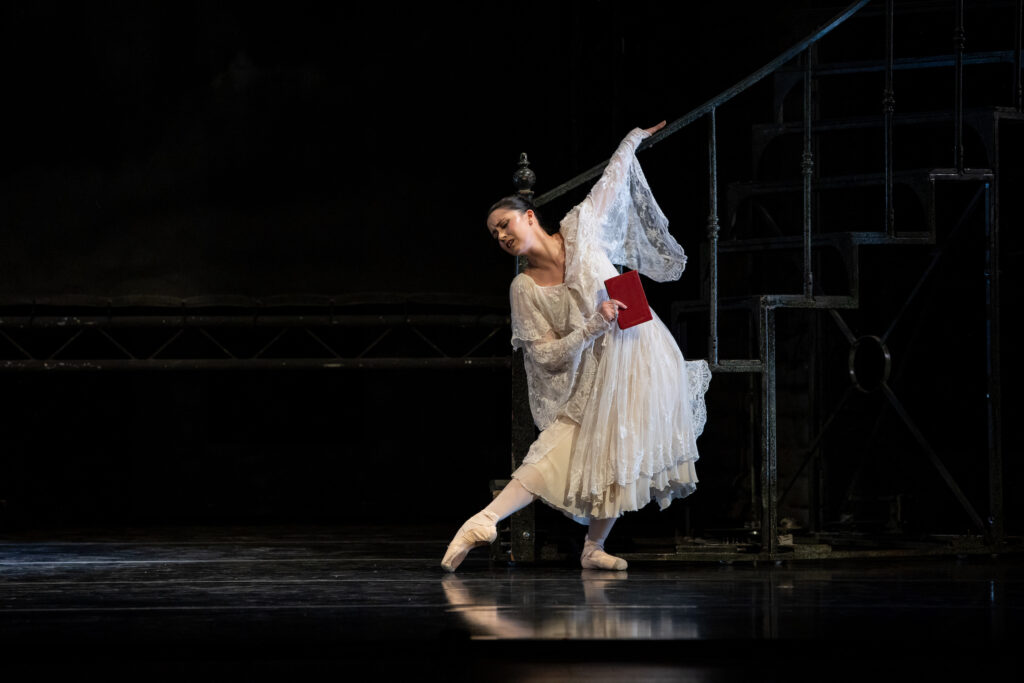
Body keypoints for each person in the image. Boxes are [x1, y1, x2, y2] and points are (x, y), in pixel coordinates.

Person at [442, 122, 711, 572]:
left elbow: (612, 181)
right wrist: (589, 327)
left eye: (505, 224)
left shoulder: (581, 226)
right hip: (596, 364)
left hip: (641, 349)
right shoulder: (524, 289)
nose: (502, 236)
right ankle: (483, 520)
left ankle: (592, 548)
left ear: (530, 216)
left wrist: (630, 139)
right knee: (558, 446)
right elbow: (544, 356)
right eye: (494, 234)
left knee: (618, 450)